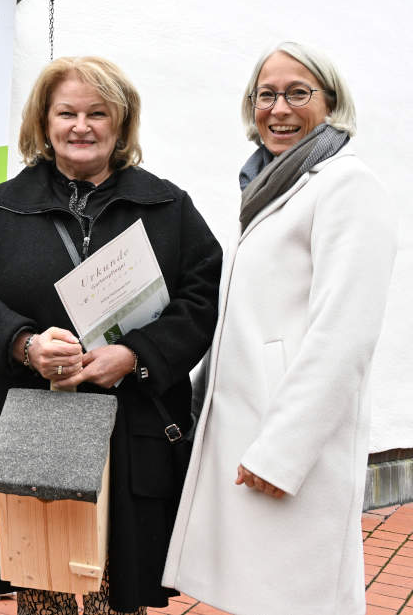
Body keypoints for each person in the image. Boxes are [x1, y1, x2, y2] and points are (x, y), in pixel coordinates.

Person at [0, 56, 222, 614]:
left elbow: (202, 298)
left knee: (120, 591)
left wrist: (136, 355)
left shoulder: (166, 206)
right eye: (66, 112)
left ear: (121, 123)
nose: (81, 126)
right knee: (46, 586)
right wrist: (23, 344)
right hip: (36, 424)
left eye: (97, 113)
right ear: (44, 123)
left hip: (131, 428)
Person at [162, 42, 398, 615]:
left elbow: (344, 336)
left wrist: (281, 452)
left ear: (331, 102)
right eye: (266, 95)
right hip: (248, 429)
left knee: (296, 597)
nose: (279, 108)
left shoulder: (347, 185)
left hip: (288, 442)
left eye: (298, 93)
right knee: (258, 596)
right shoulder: (270, 187)